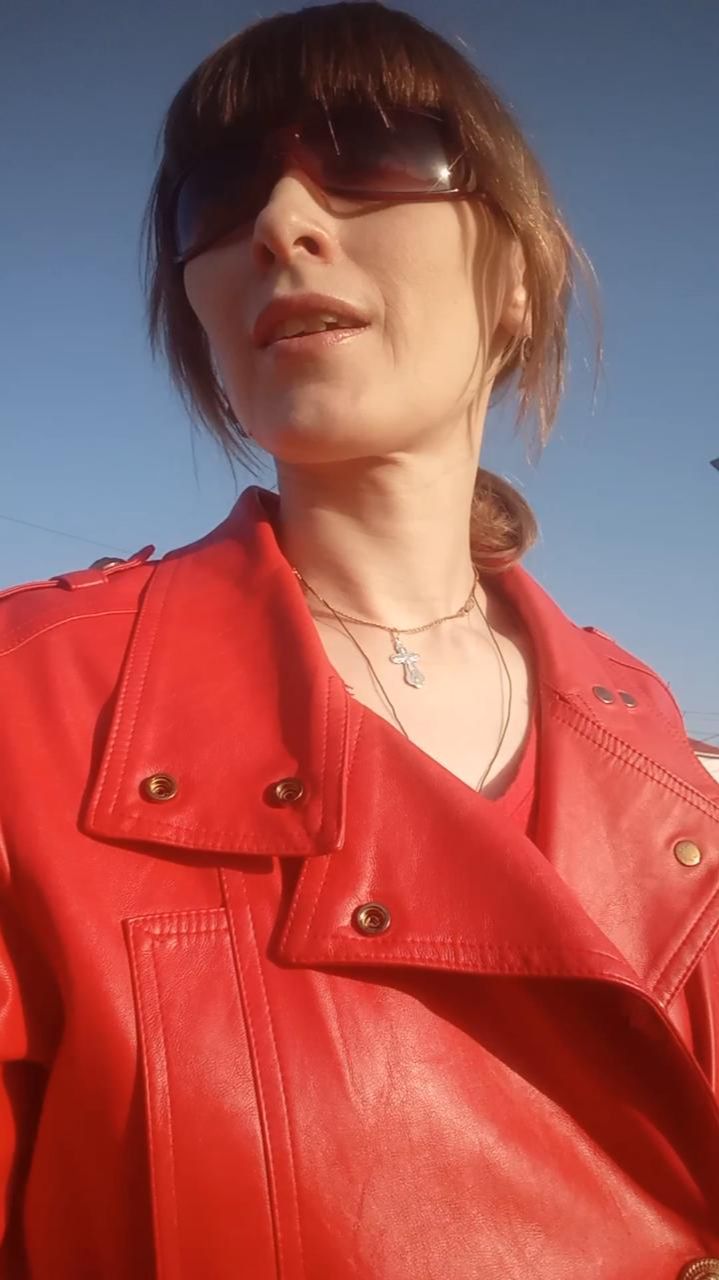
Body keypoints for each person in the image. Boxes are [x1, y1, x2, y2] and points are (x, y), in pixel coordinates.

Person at [2, 3, 719, 1277]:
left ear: (516, 277)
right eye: (218, 194)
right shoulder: (32, 708)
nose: (281, 219)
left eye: (373, 148)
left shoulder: (646, 730)